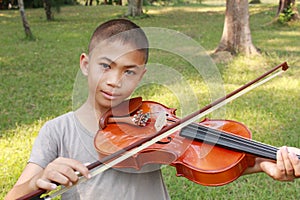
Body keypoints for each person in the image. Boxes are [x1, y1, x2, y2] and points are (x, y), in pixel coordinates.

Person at [5, 19, 300, 200]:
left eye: (129, 72)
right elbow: (16, 195)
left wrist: (262, 162)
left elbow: (204, 154)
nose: (114, 81)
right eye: (105, 66)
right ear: (85, 63)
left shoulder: (156, 122)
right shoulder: (57, 131)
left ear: (142, 76)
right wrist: (39, 179)